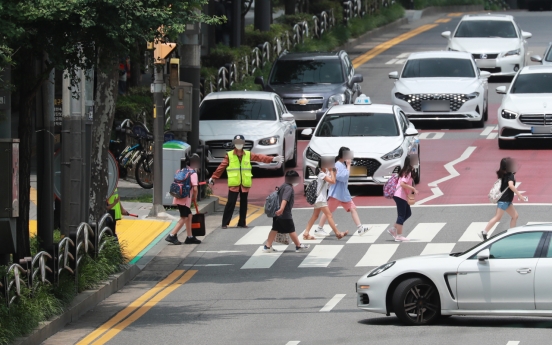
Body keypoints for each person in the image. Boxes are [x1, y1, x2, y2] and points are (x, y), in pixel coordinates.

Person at [209, 135, 284, 229]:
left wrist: (272, 159)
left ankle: (242, 222)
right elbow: (221, 167)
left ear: (243, 144)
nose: (239, 144)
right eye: (237, 142)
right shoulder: (230, 155)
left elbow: (259, 157)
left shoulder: (248, 154)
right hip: (234, 183)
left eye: (240, 142)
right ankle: (225, 222)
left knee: (244, 203)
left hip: (245, 183)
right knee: (231, 202)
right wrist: (214, 177)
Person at [314, 147, 368, 237]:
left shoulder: (340, 164)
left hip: (342, 193)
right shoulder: (337, 165)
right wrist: (349, 165)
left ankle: (360, 228)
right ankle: (319, 228)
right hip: (336, 194)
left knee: (353, 208)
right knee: (328, 212)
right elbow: (343, 177)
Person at [480, 157, 528, 241]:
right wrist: (519, 195)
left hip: (507, 201)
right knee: (497, 217)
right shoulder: (510, 175)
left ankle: (512, 233)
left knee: (515, 216)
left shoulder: (504, 174)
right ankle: (484, 232)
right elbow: (511, 185)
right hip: (504, 200)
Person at [263, 170, 310, 253]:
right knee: (291, 229)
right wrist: (281, 209)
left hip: (277, 212)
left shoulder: (283, 186)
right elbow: (285, 199)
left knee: (275, 228)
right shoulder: (288, 188)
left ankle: (267, 246)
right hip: (284, 213)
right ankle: (298, 246)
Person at [303, 156, 349, 240]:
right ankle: (338, 233)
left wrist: (333, 171)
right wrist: (331, 171)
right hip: (320, 199)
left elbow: (332, 181)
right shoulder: (321, 174)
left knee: (315, 216)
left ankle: (306, 233)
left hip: (319, 198)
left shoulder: (324, 173)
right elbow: (333, 181)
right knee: (329, 215)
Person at [165, 154, 202, 245]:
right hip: (185, 199)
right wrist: (195, 197)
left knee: (189, 216)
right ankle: (172, 235)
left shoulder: (182, 170)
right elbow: (195, 188)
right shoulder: (193, 173)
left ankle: (190, 237)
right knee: (184, 217)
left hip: (178, 196)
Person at [387, 156, 418, 242]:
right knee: (401, 215)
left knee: (408, 213)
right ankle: (399, 236)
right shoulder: (407, 172)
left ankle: (393, 229)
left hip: (401, 196)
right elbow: (402, 184)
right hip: (400, 195)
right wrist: (413, 189)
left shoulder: (408, 171)